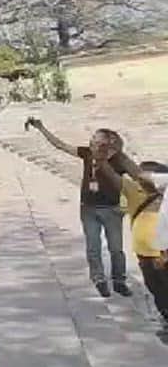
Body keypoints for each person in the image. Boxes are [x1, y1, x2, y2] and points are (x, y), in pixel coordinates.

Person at [28, 119, 156, 297]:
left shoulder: (120, 159)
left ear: (108, 143)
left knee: (116, 249)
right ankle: (99, 279)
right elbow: (60, 146)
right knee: (93, 247)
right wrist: (42, 128)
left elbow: (140, 177)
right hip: (88, 209)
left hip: (111, 210)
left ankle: (119, 281)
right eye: (93, 140)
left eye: (97, 140)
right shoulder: (87, 153)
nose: (92, 142)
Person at [121, 161, 168, 341]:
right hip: (144, 253)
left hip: (162, 254)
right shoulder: (136, 195)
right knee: (154, 288)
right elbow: (122, 209)